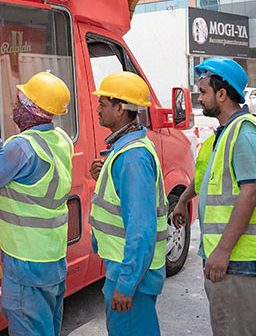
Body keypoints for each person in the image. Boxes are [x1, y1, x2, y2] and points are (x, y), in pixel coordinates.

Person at [0, 72, 73, 336]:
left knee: (29, 327)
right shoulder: (61, 139)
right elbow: (29, 167)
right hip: (52, 257)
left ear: (32, 110)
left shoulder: (21, 147)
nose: (14, 107)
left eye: (20, 103)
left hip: (25, 260)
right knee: (47, 327)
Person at [171, 57, 256, 336]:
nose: (199, 97)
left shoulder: (243, 134)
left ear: (222, 94)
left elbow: (250, 193)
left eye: (204, 91)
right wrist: (183, 200)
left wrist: (223, 251)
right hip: (227, 260)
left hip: (237, 263)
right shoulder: (225, 133)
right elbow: (206, 175)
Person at [89, 71, 167, 336]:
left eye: (102, 103)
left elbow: (141, 230)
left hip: (130, 275)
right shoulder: (124, 149)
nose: (97, 109)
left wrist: (126, 285)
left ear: (120, 108)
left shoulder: (133, 159)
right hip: (123, 269)